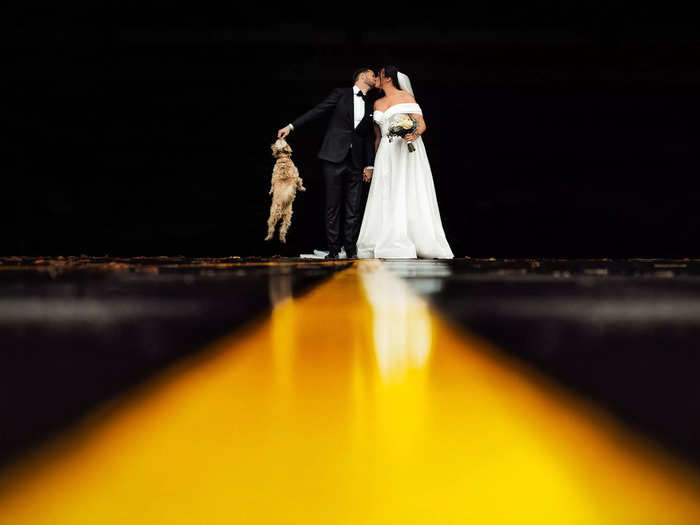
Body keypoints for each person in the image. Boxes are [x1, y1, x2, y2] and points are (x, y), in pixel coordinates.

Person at [278, 68, 379, 259]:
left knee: (354, 207)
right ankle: (333, 250)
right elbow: (318, 110)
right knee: (333, 205)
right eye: (373, 74)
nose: (375, 78)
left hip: (356, 161)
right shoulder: (341, 93)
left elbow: (367, 137)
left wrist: (369, 165)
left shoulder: (372, 103)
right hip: (333, 157)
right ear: (362, 76)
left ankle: (350, 249)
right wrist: (291, 126)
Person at [356, 65, 454, 259]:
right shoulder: (377, 103)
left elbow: (421, 123)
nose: (375, 78)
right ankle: (384, 237)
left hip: (405, 151)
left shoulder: (406, 98)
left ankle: (413, 238)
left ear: (388, 78)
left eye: (379, 75)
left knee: (407, 189)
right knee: (386, 193)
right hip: (386, 153)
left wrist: (413, 134)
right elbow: (377, 137)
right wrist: (373, 163)